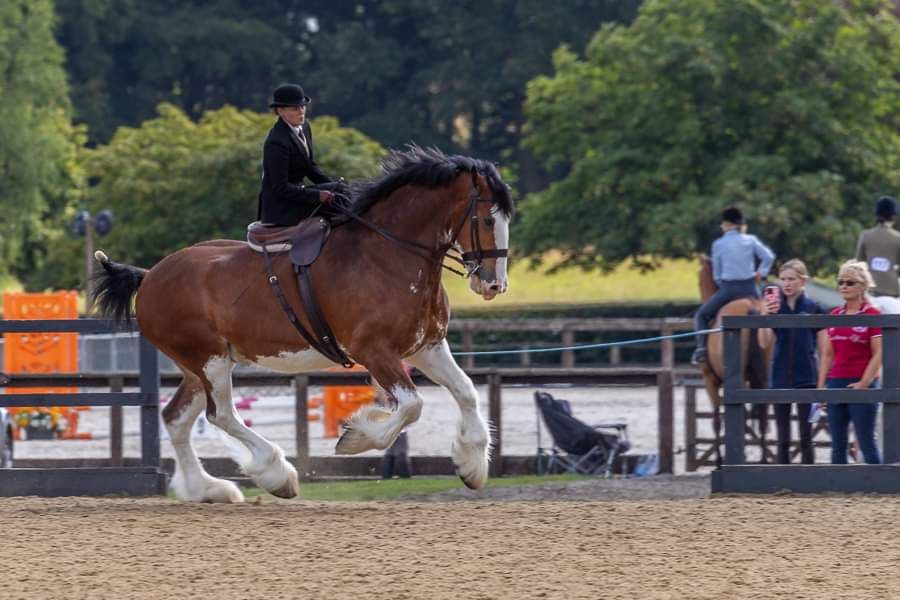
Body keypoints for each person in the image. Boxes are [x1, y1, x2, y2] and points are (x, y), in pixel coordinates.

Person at [758, 259, 827, 464]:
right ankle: (782, 482)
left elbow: (825, 351)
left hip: (808, 378)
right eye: (783, 279)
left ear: (803, 281)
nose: (786, 284)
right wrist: (765, 316)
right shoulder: (775, 308)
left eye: (791, 279)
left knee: (807, 436)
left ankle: (809, 481)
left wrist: (822, 386)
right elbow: (763, 343)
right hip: (779, 377)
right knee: (782, 438)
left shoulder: (815, 308)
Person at [817, 260, 883, 464]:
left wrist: (864, 383)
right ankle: (837, 490)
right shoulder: (835, 315)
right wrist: (820, 387)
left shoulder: (873, 315)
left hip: (862, 383)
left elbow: (879, 353)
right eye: (841, 282)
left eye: (850, 282)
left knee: (865, 441)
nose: (844, 286)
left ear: (863, 286)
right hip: (836, 381)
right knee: (838, 444)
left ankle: (881, 489)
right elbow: (827, 354)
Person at [692, 206, 775, 365]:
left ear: (727, 224)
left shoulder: (718, 244)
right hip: (750, 287)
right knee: (768, 314)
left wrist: (721, 284)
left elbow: (717, 274)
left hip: (728, 288)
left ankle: (702, 349)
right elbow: (768, 257)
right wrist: (761, 273)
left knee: (701, 315)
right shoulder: (751, 240)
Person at [257, 83, 347, 226]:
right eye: (295, 108)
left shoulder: (305, 127)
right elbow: (280, 188)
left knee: (344, 192)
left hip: (298, 196)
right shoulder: (276, 142)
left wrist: (333, 186)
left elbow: (310, 167)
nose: (301, 112)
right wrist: (317, 196)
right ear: (280, 111)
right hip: (282, 206)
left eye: (303, 107)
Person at [856, 195, 900, 314]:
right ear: (893, 216)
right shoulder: (897, 238)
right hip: (892, 294)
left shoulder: (866, 235)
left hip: (869, 294)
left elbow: (858, 264)